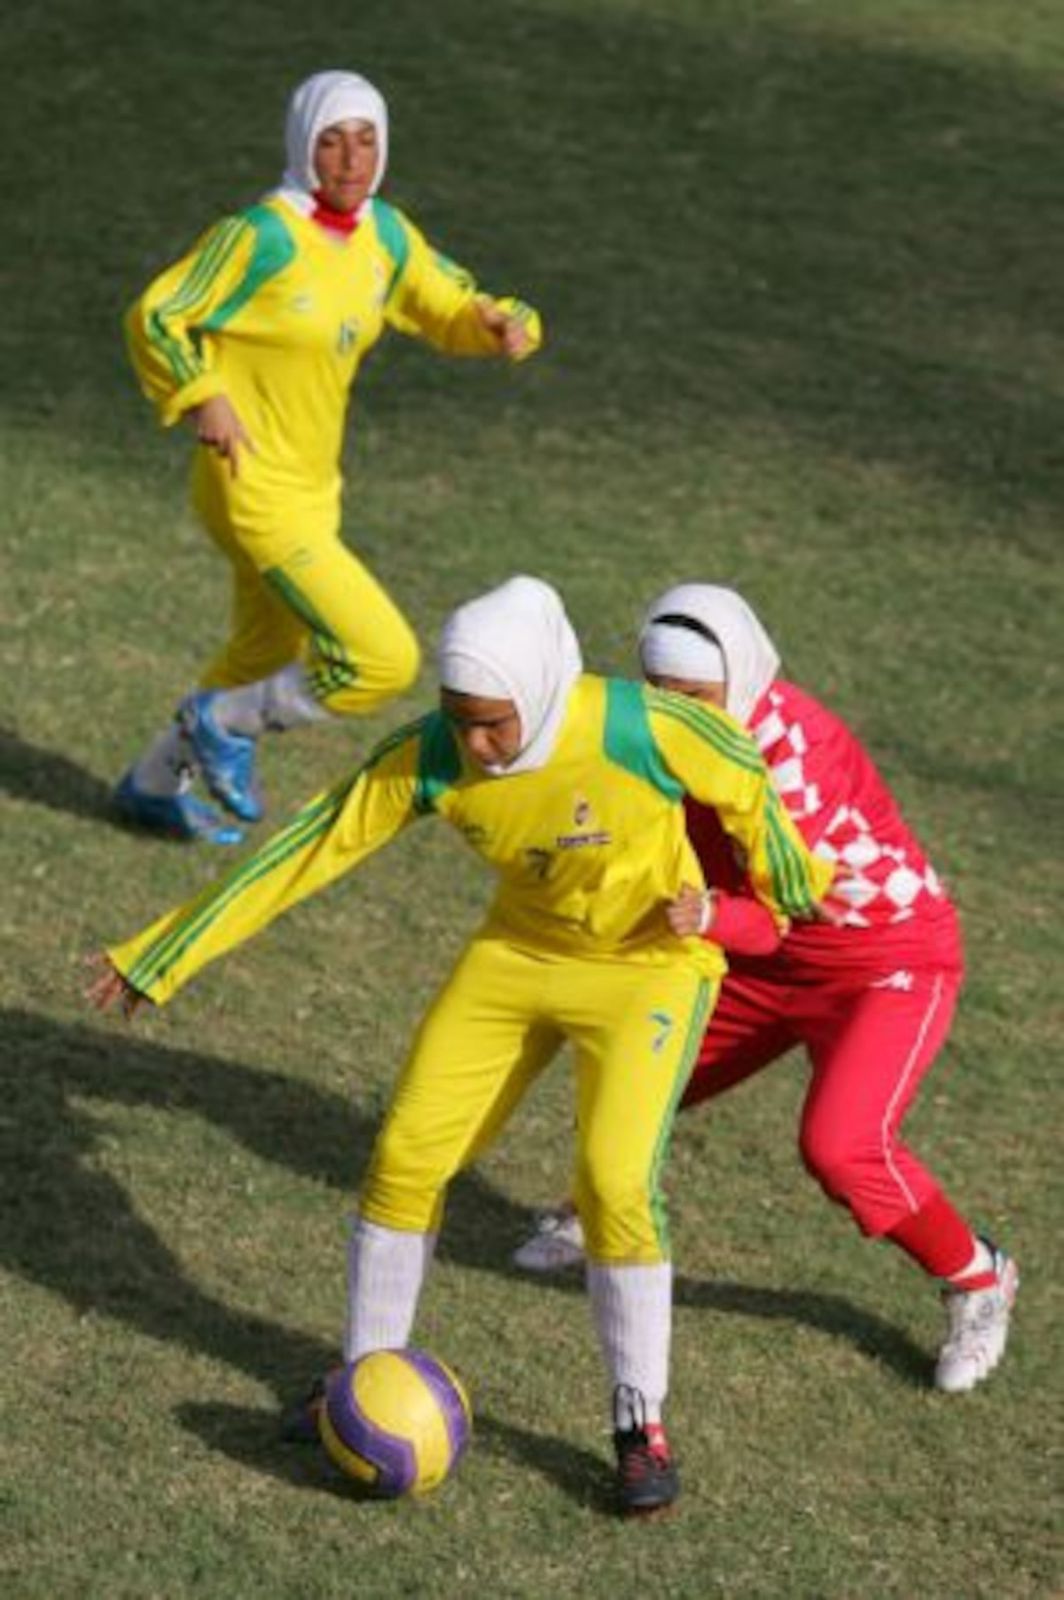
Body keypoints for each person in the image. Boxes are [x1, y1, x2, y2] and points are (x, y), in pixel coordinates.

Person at [88, 575, 833, 1516]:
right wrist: (163, 953)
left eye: (492, 723)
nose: (473, 746)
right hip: (517, 957)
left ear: (544, 692)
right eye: (458, 719)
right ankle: (360, 1384)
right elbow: (310, 847)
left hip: (650, 969)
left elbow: (743, 776)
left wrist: (787, 882)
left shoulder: (643, 729)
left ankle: (637, 1422)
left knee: (611, 1183)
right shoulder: (433, 756)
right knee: (405, 1158)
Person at [513, 584, 1019, 1397]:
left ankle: (979, 1277)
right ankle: (593, 1208)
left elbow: (790, 901)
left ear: (740, 679)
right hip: (760, 947)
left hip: (881, 959)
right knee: (630, 1070)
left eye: (697, 697)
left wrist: (705, 911)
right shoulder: (661, 724)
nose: (679, 713)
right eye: (662, 693)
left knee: (842, 1147)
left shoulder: (792, 760)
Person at [116, 69, 542, 847]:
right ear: (301, 146)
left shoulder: (384, 234)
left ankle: (152, 782)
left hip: (314, 488)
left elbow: (446, 300)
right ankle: (220, 724)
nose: (350, 160)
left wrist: (502, 322)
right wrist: (203, 389)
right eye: (331, 141)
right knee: (381, 658)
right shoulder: (262, 236)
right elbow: (158, 314)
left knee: (264, 649)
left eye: (366, 141)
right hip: (250, 485)